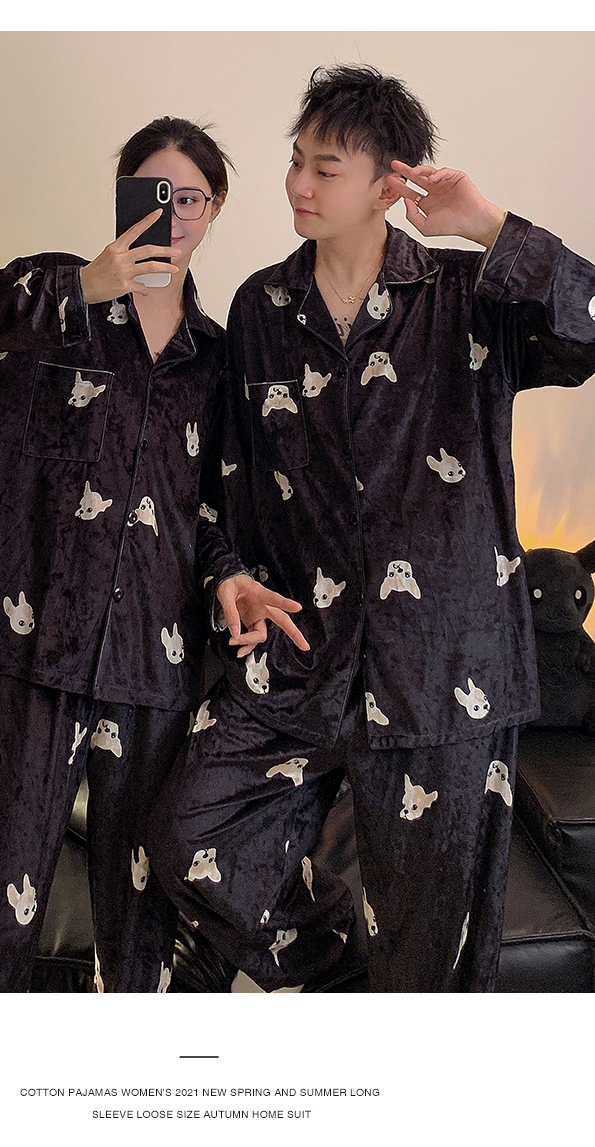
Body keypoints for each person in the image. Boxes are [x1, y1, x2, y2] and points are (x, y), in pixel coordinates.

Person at [149, 65, 595, 993]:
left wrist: (489, 226)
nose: (299, 185)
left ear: (389, 184)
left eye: (326, 169)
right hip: (302, 656)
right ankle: (340, 985)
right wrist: (225, 571)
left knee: (432, 949)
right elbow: (223, 478)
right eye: (296, 162)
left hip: (447, 668)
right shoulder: (261, 309)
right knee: (189, 833)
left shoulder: (471, 296)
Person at [0, 116, 289, 993]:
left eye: (191, 198)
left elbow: (212, 507)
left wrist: (228, 571)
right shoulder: (48, 301)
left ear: (216, 208)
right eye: (154, 195)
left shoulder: (214, 361)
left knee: (138, 921)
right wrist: (80, 286)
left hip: (154, 660)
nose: (172, 215)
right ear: (123, 199)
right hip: (37, 651)